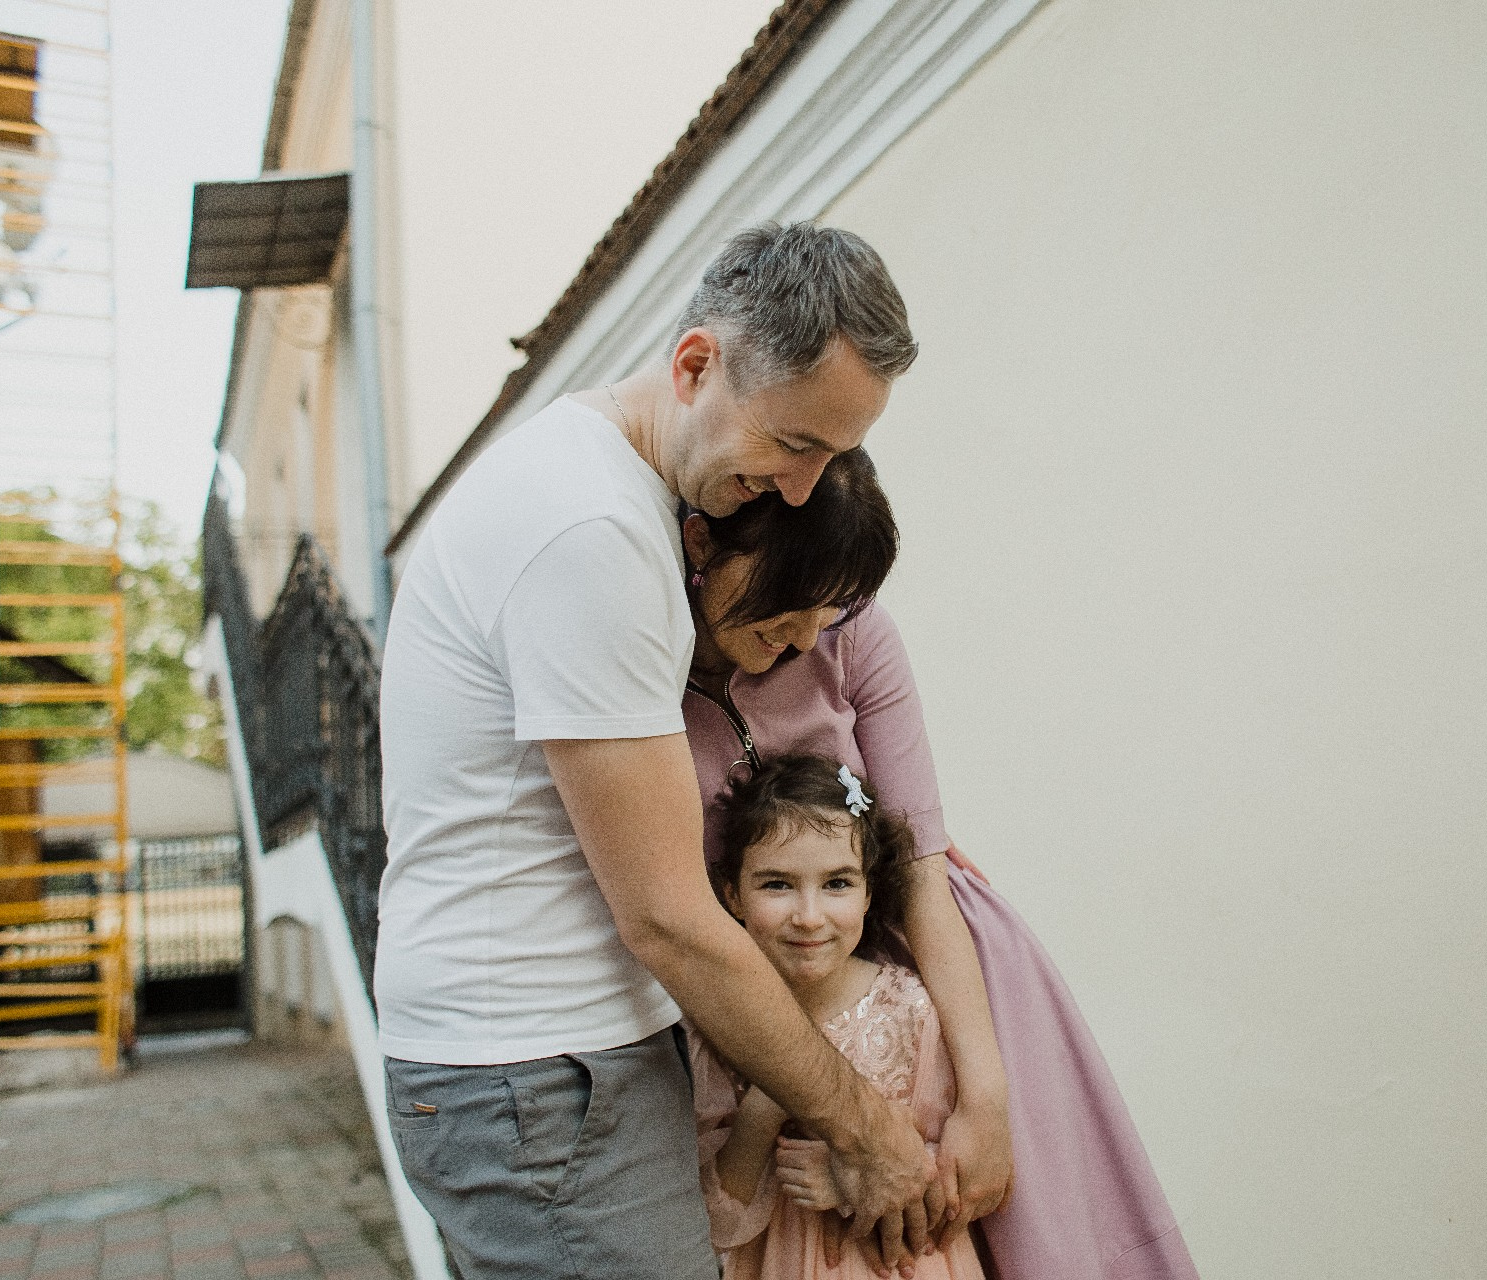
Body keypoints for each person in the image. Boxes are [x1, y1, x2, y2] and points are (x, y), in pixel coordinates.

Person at [375, 223, 935, 1280]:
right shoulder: (592, 531)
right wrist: (868, 1127)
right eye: (798, 443)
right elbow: (669, 917)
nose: (808, 489)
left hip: (547, 1068)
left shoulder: (596, 486)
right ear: (694, 365)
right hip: (538, 1075)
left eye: (835, 455)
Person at [680, 453, 1202, 1278]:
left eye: (830, 609)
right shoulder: (641, 666)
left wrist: (986, 1105)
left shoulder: (854, 633)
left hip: (936, 971)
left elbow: (922, 868)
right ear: (701, 546)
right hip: (758, 987)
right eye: (789, 600)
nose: (808, 637)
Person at [689, 755, 987, 1280]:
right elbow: (715, 1220)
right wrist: (763, 1110)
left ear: (870, 892)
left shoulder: (910, 1010)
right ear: (733, 894)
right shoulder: (716, 1027)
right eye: (777, 884)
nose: (809, 915)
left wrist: (846, 1177)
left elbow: (960, 1182)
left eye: (838, 884)